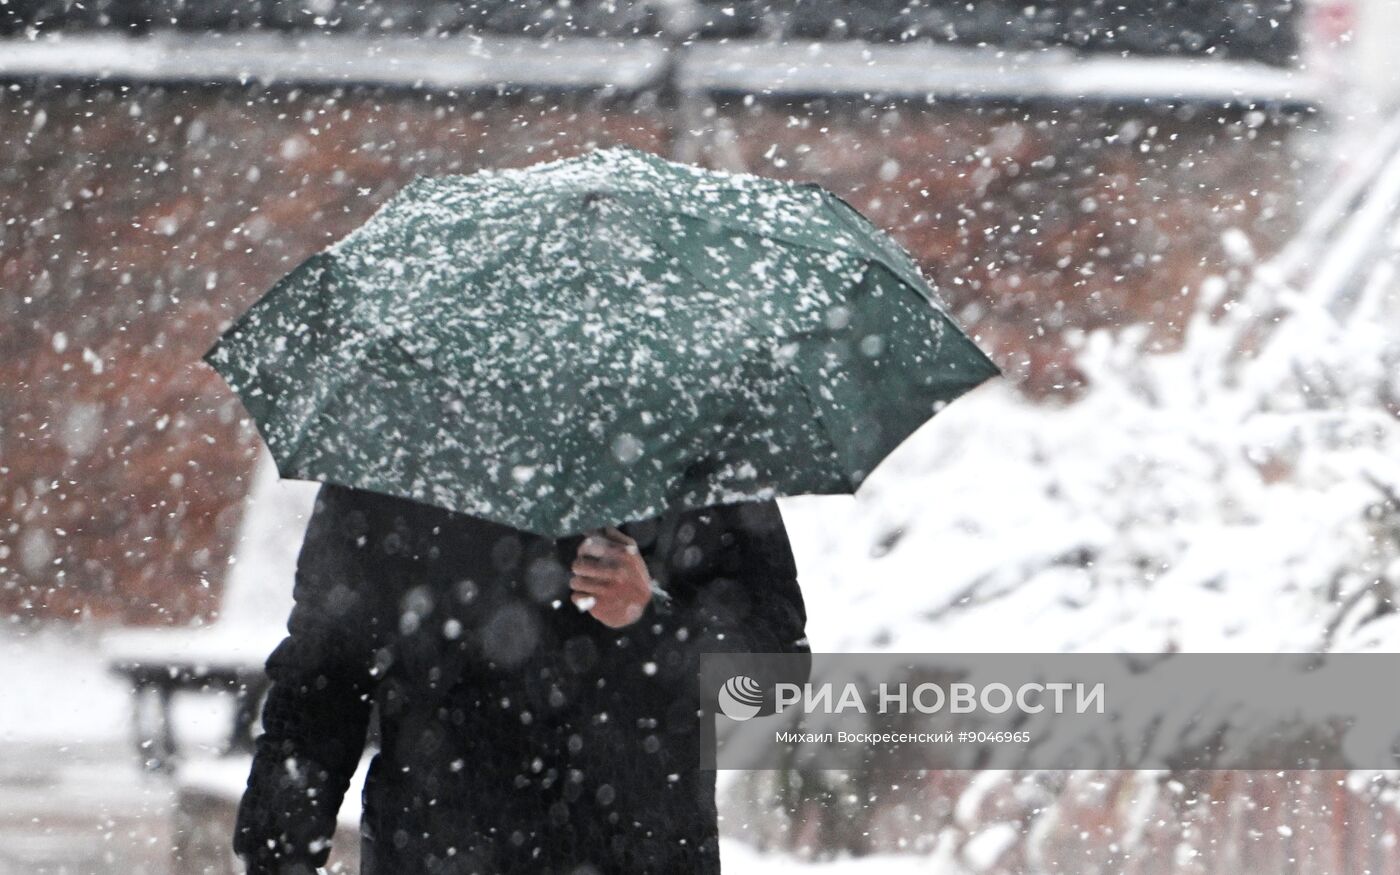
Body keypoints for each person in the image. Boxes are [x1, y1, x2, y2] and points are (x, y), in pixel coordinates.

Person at [233, 483, 810, 874]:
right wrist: (276, 853)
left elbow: (773, 688)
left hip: (639, 850)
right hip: (440, 849)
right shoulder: (400, 439)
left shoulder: (692, 445)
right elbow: (324, 679)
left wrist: (651, 618)